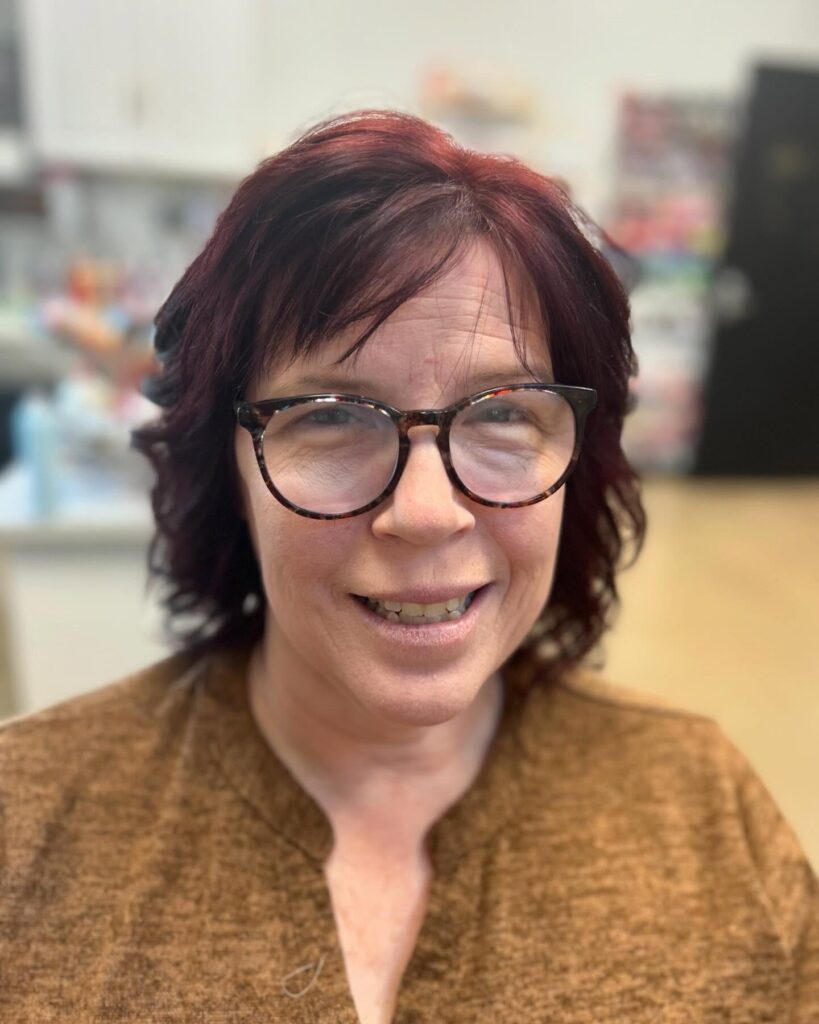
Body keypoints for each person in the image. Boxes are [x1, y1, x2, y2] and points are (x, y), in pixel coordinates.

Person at [0, 110, 816, 1024]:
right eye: (333, 414)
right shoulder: (25, 821)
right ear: (225, 467)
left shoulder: (701, 806)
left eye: (505, 413)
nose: (426, 513)